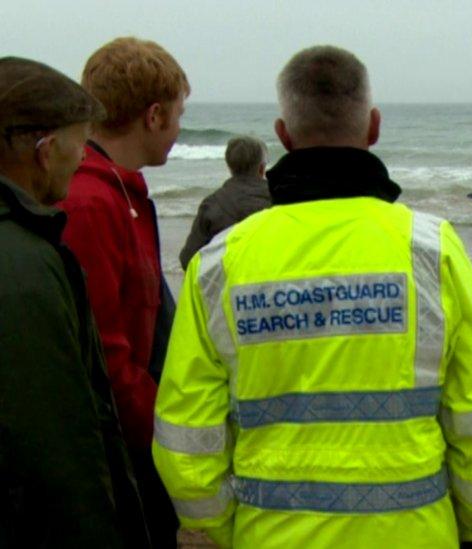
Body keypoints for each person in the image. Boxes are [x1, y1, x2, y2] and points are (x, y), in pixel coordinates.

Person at [153, 45, 472, 548]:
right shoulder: (430, 250)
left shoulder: (219, 265)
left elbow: (187, 437)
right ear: (373, 127)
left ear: (282, 136)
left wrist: (228, 525)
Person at [0, 57, 151, 547]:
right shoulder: (23, 264)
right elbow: (59, 440)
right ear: (45, 150)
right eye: (79, 144)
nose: (84, 159)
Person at [58, 36, 188, 548]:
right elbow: (105, 351)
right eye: (179, 114)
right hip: (121, 449)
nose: (179, 129)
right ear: (154, 116)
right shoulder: (91, 202)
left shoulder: (122, 190)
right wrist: (169, 438)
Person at [179, 135, 271, 269]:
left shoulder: (212, 204)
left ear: (229, 166)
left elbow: (187, 259)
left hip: (228, 284)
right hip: (276, 283)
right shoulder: (281, 199)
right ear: (262, 168)